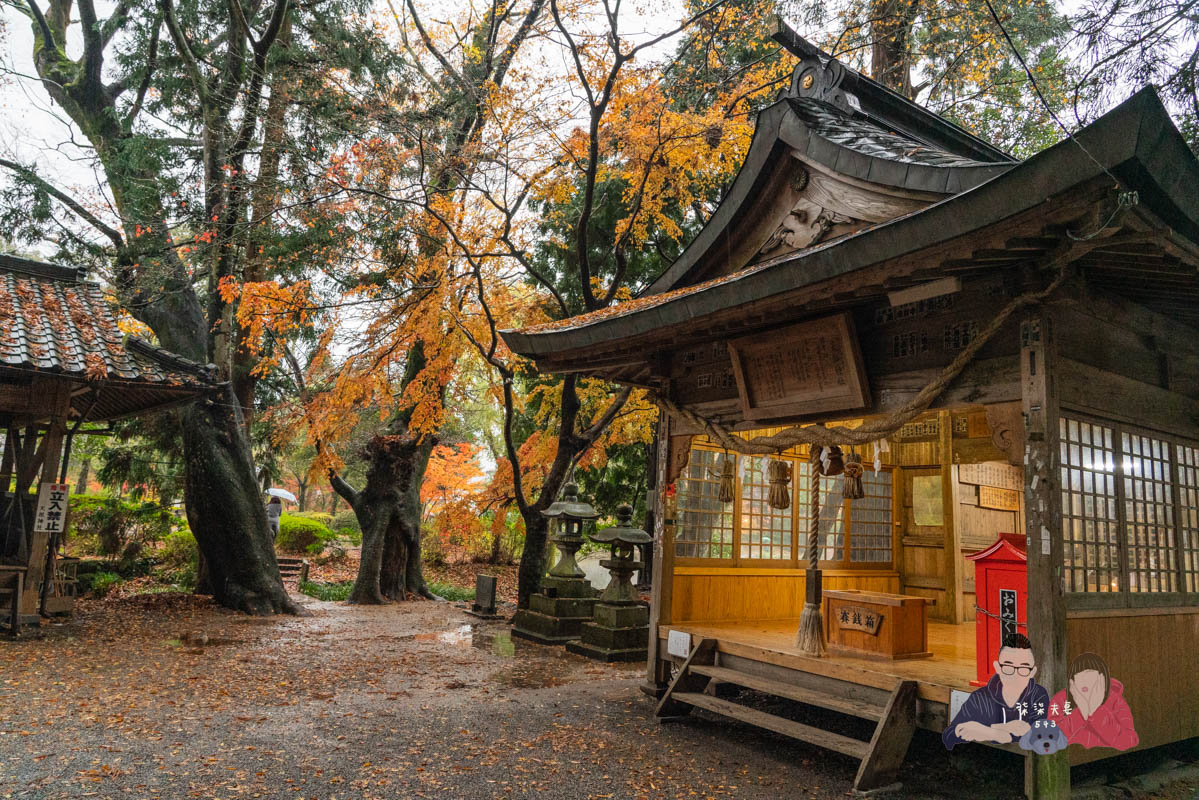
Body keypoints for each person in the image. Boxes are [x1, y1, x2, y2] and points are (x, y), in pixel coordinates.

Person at [943, 632, 1050, 749]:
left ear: (1032, 672)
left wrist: (988, 730)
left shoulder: (1038, 696)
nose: (1015, 675)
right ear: (997, 668)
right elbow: (949, 736)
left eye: (1023, 668)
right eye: (1008, 667)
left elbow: (1041, 736)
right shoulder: (981, 697)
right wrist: (996, 732)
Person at [1048, 652, 1138, 750]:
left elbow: (1128, 741)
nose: (1083, 680)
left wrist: (1096, 710)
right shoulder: (1060, 700)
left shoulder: (1115, 701)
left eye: (1089, 674)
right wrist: (1080, 713)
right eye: (1078, 675)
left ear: (1102, 678)